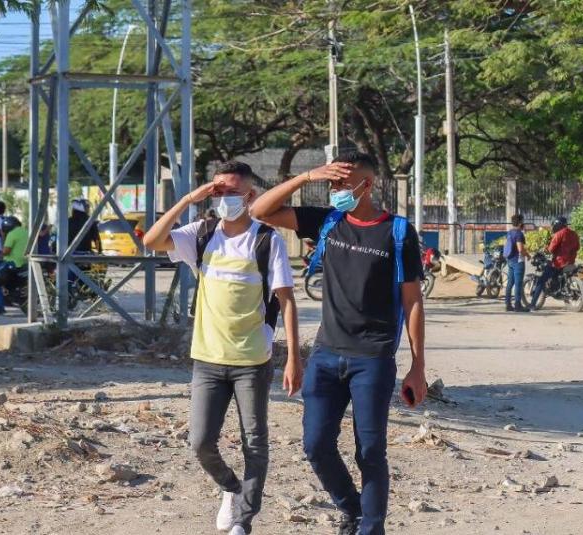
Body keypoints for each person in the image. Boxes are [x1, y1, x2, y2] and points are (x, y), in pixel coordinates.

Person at [249, 151, 427, 535]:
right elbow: (260, 210)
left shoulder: (398, 232)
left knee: (370, 451)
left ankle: (371, 528)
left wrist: (417, 367)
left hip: (373, 358)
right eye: (331, 183)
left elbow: (413, 302)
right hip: (326, 355)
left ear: (368, 184)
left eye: (343, 184)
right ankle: (353, 508)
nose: (336, 190)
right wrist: (305, 177)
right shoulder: (327, 222)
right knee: (315, 445)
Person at [142, 161, 301, 535]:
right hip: (208, 359)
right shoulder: (202, 233)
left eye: (232, 192)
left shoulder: (267, 240)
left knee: (255, 441)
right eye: (218, 191)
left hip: (252, 360)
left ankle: (243, 521)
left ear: (250, 196)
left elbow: (287, 301)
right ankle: (231, 487)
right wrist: (189, 199)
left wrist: (294, 358)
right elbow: (151, 241)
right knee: (200, 442)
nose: (225, 198)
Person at [530, 217, 580, 307]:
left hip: (559, 263)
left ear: (557, 225)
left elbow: (551, 249)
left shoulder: (559, 234)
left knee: (541, 280)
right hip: (571, 262)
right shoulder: (574, 233)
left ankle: (532, 304)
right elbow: (577, 247)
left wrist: (546, 249)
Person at [0, 216, 27, 318]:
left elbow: (6, 251)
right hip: (25, 263)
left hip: (14, 264)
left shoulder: (12, 234)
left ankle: (0, 308)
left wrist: (2, 240)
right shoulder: (26, 232)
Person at [504, 214, 529, 312]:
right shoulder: (519, 234)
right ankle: (518, 305)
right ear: (520, 223)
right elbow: (520, 249)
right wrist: (528, 255)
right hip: (518, 262)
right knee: (518, 284)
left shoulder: (510, 232)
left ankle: (508, 304)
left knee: (510, 283)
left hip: (510, 260)